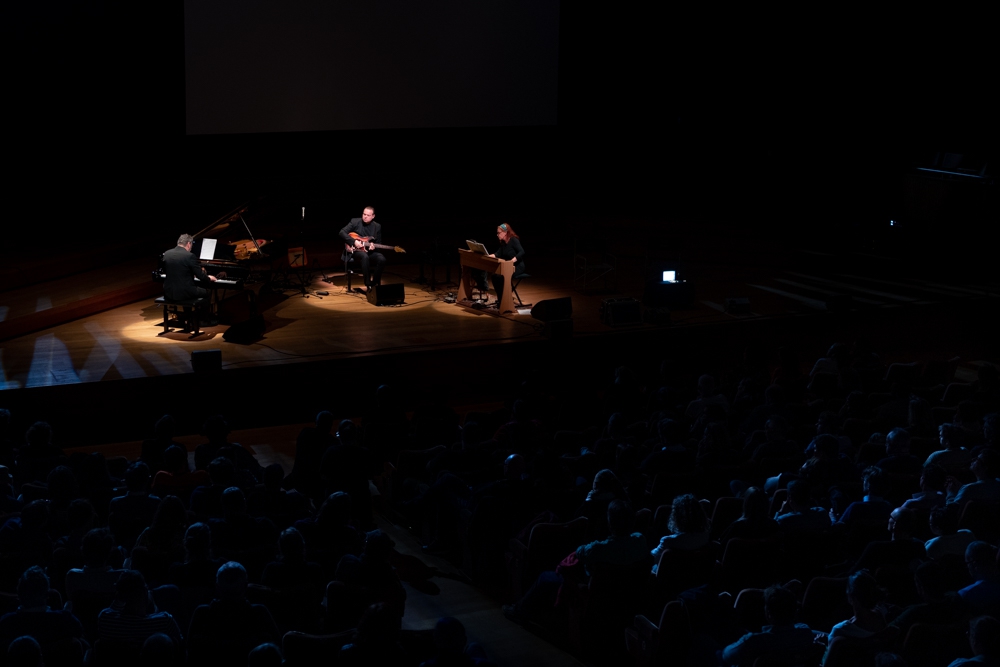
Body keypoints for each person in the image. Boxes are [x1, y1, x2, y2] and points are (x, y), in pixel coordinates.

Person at [339, 206, 385, 293]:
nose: (365, 216)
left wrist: (373, 246)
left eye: (368, 215)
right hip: (356, 250)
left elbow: (378, 243)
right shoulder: (355, 221)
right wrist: (354, 242)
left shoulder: (377, 226)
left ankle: (374, 282)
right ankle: (368, 283)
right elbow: (342, 232)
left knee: (382, 259)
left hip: (369, 251)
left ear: (373, 216)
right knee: (364, 256)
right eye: (364, 214)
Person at [162, 233, 217, 300]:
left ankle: (185, 308)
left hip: (168, 292)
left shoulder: (167, 254)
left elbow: (169, 270)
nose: (191, 248)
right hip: (185, 292)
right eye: (191, 245)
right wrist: (209, 278)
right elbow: (200, 276)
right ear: (188, 244)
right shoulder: (190, 256)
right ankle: (203, 308)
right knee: (207, 292)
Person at [486, 223, 525, 305]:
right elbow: (497, 254)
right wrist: (487, 255)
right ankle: (501, 298)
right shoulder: (503, 243)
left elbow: (522, 252)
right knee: (494, 276)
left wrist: (512, 261)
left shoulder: (513, 240)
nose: (497, 235)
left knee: (501, 277)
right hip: (508, 267)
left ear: (505, 232)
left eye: (499, 233)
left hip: (517, 266)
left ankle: (504, 299)